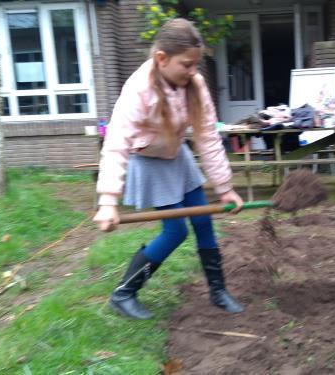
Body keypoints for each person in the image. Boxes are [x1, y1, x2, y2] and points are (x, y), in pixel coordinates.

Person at [92, 18, 244, 320]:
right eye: (186, 65)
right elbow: (116, 144)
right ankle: (124, 293)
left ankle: (218, 290)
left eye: (195, 65)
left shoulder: (194, 85)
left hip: (178, 157)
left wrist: (225, 188)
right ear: (161, 59)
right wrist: (108, 201)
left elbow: (208, 138)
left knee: (204, 223)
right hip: (148, 161)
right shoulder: (138, 90)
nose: (193, 72)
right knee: (175, 231)